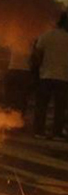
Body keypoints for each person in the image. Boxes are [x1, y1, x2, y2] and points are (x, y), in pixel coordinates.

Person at [33, 12, 68, 140]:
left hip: (46, 76)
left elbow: (37, 56)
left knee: (42, 105)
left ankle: (39, 131)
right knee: (60, 107)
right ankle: (57, 132)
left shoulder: (45, 36)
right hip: (63, 77)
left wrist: (37, 72)